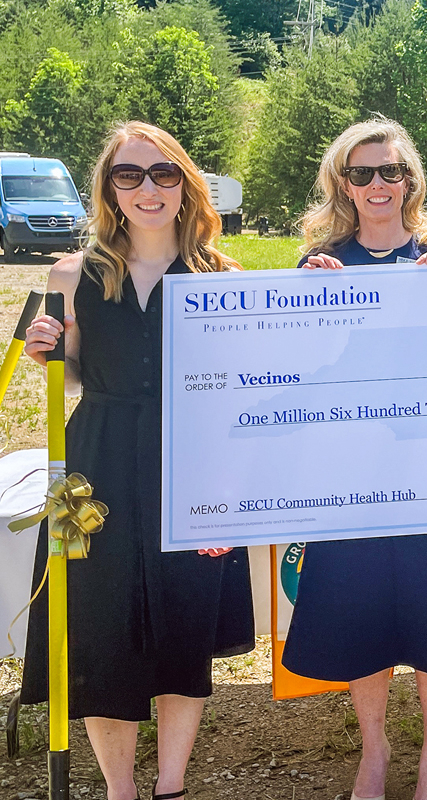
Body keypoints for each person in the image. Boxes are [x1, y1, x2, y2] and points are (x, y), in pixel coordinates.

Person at [20, 121, 255, 800]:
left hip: (195, 462)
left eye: (163, 174)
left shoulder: (223, 275)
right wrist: (49, 350)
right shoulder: (72, 273)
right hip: (87, 465)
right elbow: (69, 381)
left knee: (186, 620)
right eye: (130, 175)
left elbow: (243, 388)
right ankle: (121, 792)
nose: (147, 189)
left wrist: (230, 494)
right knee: (94, 627)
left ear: (185, 184)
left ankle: (171, 787)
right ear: (109, 190)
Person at [280, 117, 427, 800]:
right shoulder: (317, 269)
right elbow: (293, 370)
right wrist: (303, 305)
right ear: (341, 185)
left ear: (411, 180)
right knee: (359, 609)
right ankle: (374, 750)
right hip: (350, 473)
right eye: (362, 173)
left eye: (391, 171)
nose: (378, 184)